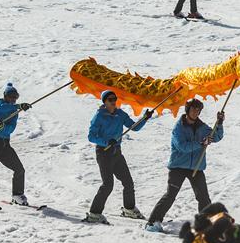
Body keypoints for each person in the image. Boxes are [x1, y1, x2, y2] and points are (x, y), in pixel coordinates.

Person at [145, 98, 224, 232]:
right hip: (178, 167)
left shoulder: (202, 126)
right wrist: (201, 143)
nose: (196, 112)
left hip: (196, 167)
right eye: (193, 109)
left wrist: (219, 123)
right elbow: (182, 147)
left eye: (198, 110)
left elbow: (216, 137)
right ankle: (152, 223)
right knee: (170, 195)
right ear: (187, 110)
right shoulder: (179, 127)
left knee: (203, 197)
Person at [85, 90, 152, 223]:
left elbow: (134, 127)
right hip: (104, 153)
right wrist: (106, 142)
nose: (113, 102)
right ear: (104, 101)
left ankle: (129, 209)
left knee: (128, 182)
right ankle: (94, 213)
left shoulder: (120, 114)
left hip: (116, 152)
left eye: (114, 99)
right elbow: (91, 136)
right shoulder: (99, 116)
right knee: (108, 184)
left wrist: (144, 118)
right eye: (110, 99)